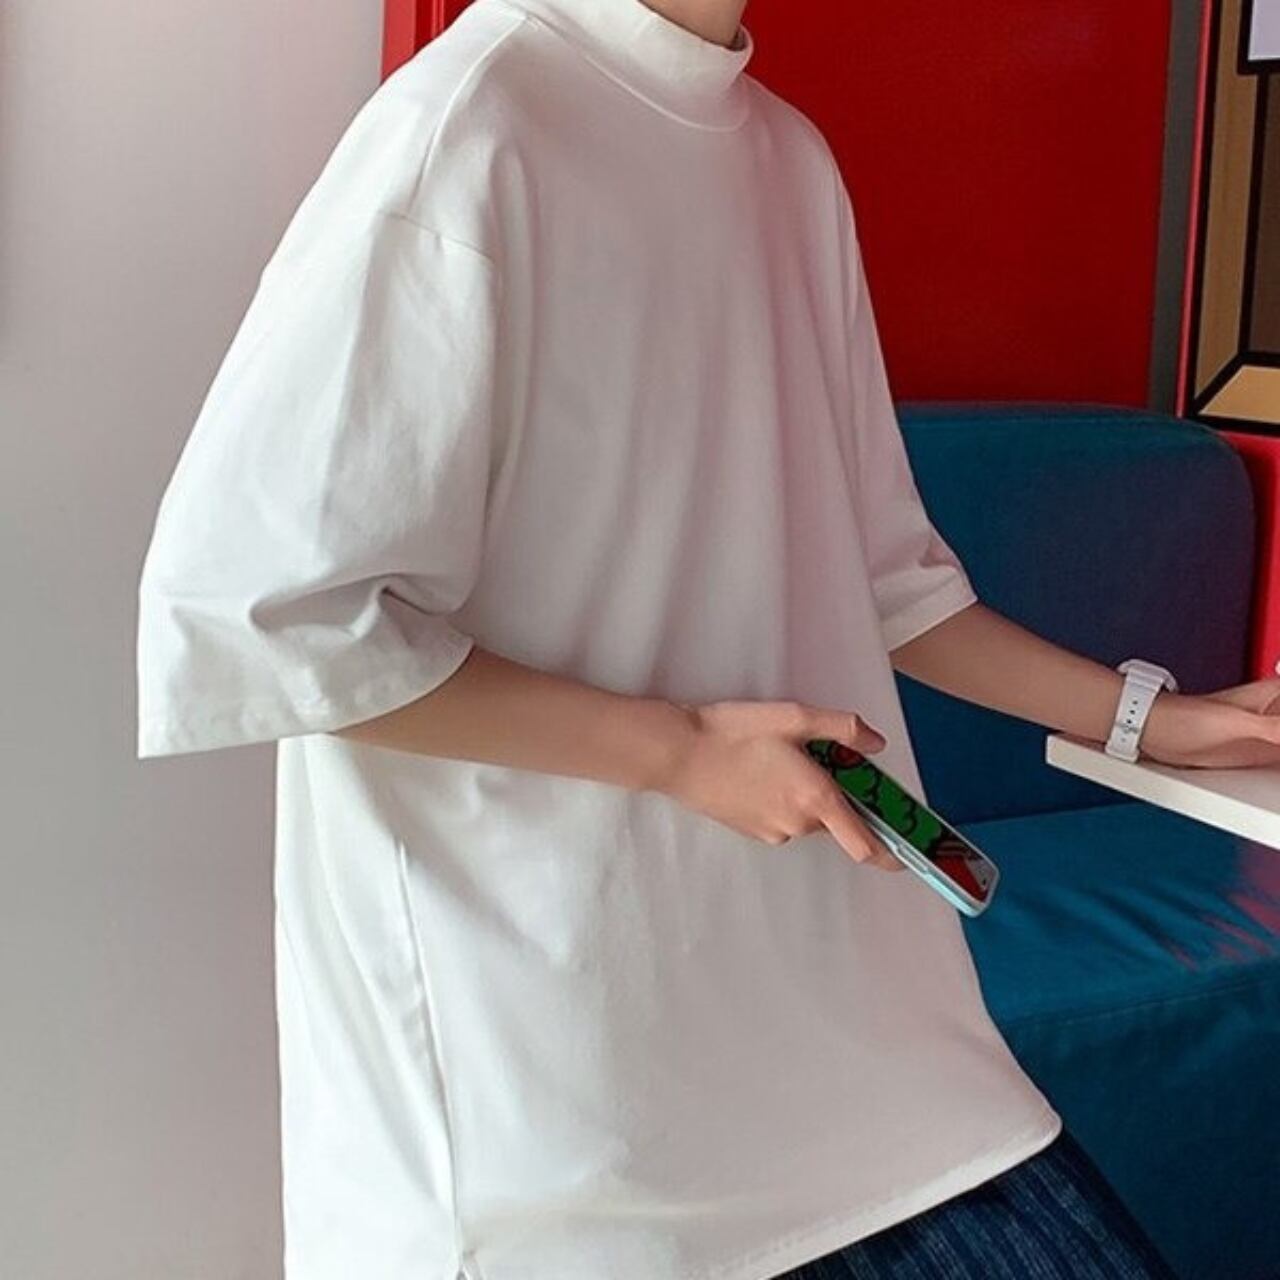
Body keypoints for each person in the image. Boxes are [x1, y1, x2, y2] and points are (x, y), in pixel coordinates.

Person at [135, 1, 1280, 1276]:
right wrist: (679, 749)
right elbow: (262, 611)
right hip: (557, 1109)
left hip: (864, 1032)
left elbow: (884, 577)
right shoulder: (468, 128)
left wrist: (1150, 719)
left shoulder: (786, 158)